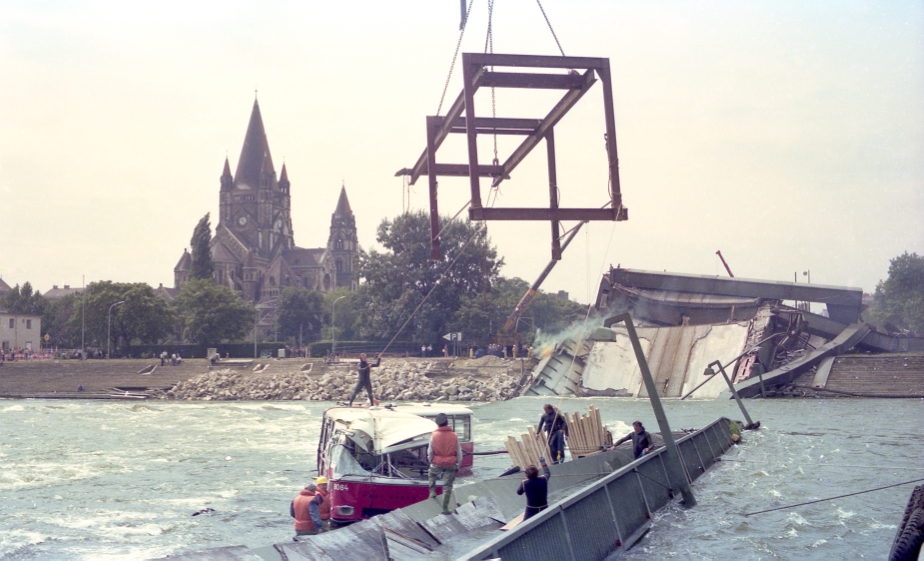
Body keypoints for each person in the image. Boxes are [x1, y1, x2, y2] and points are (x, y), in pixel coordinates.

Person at [427, 412, 463, 515]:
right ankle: (445, 508)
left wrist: (431, 460)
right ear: (447, 423)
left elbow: (430, 451)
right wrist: (458, 465)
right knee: (447, 486)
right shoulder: (454, 436)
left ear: (437, 424)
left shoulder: (434, 435)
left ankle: (432, 492)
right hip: (451, 463)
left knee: (432, 474)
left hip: (437, 462)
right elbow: (459, 453)